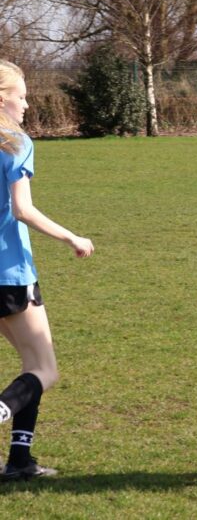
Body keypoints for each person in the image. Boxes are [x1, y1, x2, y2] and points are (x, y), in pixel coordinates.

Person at [0, 60, 94, 480]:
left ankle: (20, 461)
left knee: (28, 366)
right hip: (10, 271)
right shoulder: (15, 142)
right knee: (45, 368)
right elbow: (22, 209)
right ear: (3, 99)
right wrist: (72, 237)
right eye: (20, 95)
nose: (26, 104)